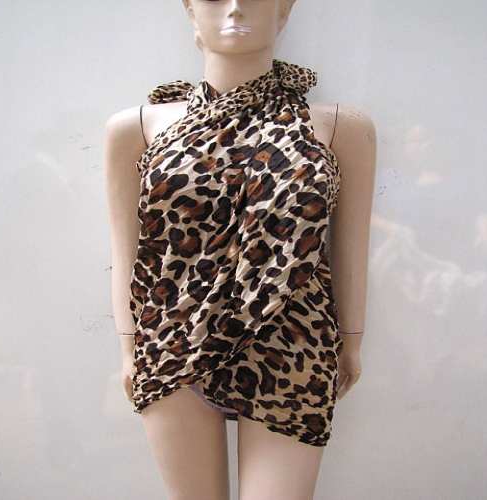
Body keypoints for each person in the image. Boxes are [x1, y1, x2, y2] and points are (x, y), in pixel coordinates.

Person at [104, 1, 376, 499]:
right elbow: (128, 252)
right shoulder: (137, 127)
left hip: (293, 342)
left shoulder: (339, 127)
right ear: (190, 13)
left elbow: (349, 249)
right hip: (172, 340)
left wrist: (351, 339)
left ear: (284, 12)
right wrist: (127, 345)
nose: (234, 7)